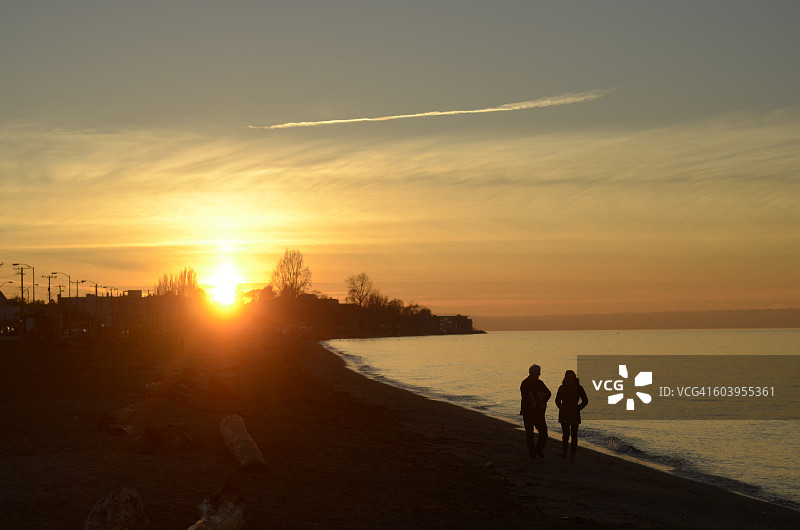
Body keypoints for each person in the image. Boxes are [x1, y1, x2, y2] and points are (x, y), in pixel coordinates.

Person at [555, 369, 588, 463]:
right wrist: (562, 408)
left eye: (570, 376)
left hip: (574, 414)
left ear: (573, 377)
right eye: (567, 376)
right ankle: (564, 452)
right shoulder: (562, 387)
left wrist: (578, 408)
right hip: (564, 414)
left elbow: (585, 400)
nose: (568, 378)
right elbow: (557, 400)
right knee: (565, 435)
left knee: (574, 435)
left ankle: (572, 456)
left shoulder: (579, 388)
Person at [520, 364, 551, 459]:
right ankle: (532, 454)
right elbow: (525, 397)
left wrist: (543, 400)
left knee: (544, 433)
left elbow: (549, 393)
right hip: (528, 412)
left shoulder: (540, 383)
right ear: (533, 373)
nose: (539, 374)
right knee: (530, 435)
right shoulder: (525, 383)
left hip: (539, 413)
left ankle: (538, 449)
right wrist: (538, 396)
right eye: (538, 372)